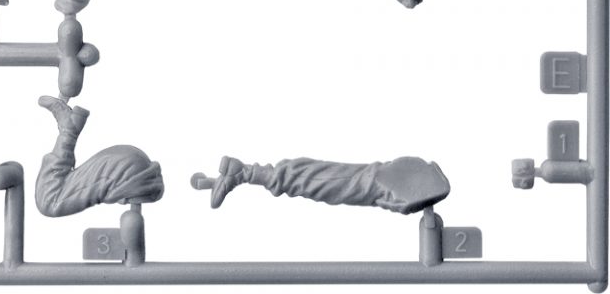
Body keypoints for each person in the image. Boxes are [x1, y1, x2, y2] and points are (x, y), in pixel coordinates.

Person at [35, 96, 164, 217]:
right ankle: (69, 129)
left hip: (129, 170)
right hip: (129, 168)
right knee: (50, 202)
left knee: (51, 202)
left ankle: (69, 130)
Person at [192, 155, 450, 215]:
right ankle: (244, 172)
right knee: (335, 182)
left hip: (405, 181)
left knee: (342, 181)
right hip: (398, 183)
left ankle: (245, 173)